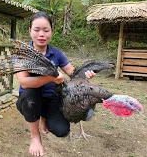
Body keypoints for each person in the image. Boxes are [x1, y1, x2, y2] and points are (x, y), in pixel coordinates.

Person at [15, 11, 95, 157]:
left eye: (46, 30)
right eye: (37, 30)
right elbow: (24, 82)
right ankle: (35, 137)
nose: (41, 34)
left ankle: (44, 117)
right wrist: (51, 78)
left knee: (62, 130)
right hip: (29, 100)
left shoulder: (56, 53)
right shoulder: (22, 54)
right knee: (31, 96)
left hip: (51, 99)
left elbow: (72, 72)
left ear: (51, 32)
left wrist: (86, 74)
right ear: (29, 31)